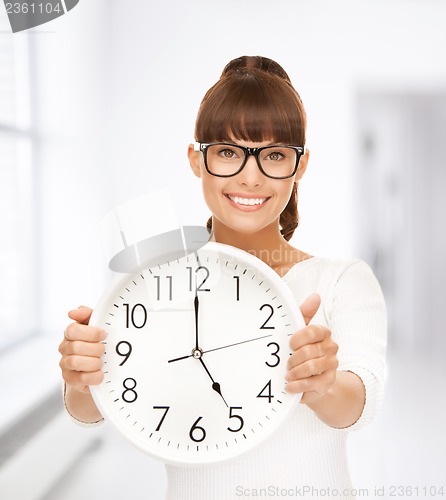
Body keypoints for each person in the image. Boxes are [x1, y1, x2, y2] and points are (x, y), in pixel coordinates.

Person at [59, 55, 387, 500]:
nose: (250, 178)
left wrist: (323, 383)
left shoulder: (342, 280)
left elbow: (359, 405)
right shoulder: (152, 282)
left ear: (300, 165)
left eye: (273, 155)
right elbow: (90, 410)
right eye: (229, 153)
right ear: (197, 159)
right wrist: (81, 375)